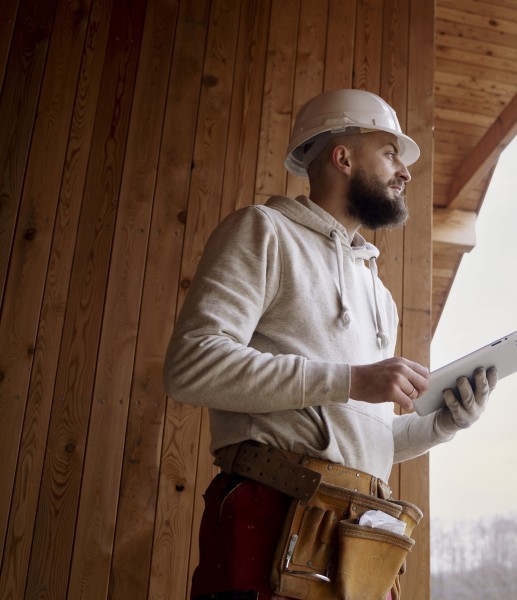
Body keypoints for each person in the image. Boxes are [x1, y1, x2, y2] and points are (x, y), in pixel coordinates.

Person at [164, 88, 495, 599]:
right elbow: (192, 366)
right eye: (390, 153)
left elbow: (361, 440)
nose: (405, 172)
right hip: (268, 523)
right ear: (342, 157)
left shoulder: (378, 293)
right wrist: (353, 380)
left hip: (361, 541)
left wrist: (441, 425)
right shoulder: (264, 232)